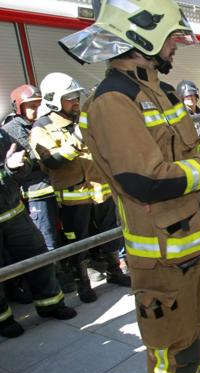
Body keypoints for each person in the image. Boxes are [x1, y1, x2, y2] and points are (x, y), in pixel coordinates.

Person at [59, 1, 200, 373]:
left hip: (198, 246)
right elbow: (147, 181)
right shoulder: (112, 101)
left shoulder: (161, 92)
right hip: (163, 263)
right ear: (141, 36)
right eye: (171, 37)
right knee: (176, 355)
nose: (176, 46)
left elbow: (182, 160)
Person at [30, 73, 131, 304]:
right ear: (53, 99)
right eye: (69, 97)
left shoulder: (83, 120)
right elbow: (52, 162)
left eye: (77, 95)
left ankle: (115, 272)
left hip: (101, 192)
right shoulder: (42, 127)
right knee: (78, 244)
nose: (76, 101)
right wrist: (76, 139)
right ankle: (82, 284)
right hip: (74, 199)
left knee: (108, 237)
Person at [0, 129, 77, 338]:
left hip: (14, 213)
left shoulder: (1, 135)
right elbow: (6, 170)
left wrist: (20, 166)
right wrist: (7, 169)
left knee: (38, 258)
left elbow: (26, 166)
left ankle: (50, 305)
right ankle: (4, 321)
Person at [3, 85, 75, 294]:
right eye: (30, 106)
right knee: (47, 237)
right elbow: (33, 159)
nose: (36, 110)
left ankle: (69, 270)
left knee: (66, 233)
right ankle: (57, 278)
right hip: (36, 193)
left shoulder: (46, 123)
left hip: (56, 187)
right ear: (19, 107)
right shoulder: (12, 129)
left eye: (38, 105)